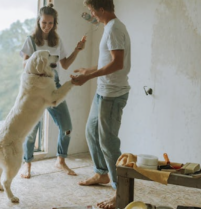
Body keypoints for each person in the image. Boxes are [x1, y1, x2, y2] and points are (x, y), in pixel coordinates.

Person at [70, 0, 131, 208]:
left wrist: (89, 77)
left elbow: (118, 62)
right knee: (91, 132)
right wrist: (89, 71)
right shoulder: (109, 27)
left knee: (109, 143)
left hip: (112, 95)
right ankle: (101, 173)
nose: (92, 14)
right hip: (103, 91)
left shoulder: (114, 28)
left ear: (101, 9)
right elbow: (108, 61)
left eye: (91, 10)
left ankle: (120, 192)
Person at [19, 3, 86, 178]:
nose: (47, 26)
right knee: (31, 129)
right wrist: (38, 59)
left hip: (53, 86)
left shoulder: (57, 41)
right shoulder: (31, 40)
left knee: (67, 127)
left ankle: (60, 161)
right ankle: (27, 164)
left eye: (50, 23)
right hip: (35, 88)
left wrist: (77, 50)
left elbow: (64, 64)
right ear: (38, 22)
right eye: (44, 23)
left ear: (54, 23)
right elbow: (24, 65)